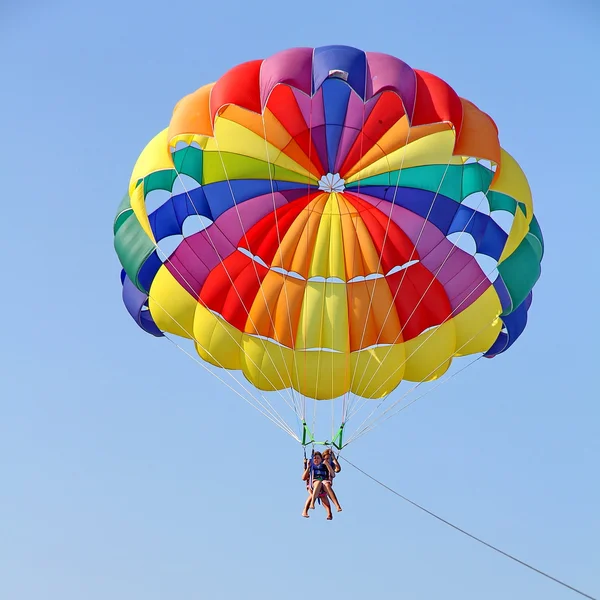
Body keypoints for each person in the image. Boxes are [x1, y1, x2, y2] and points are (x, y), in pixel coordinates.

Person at [301, 451, 335, 519]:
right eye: (314, 458)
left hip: (323, 487)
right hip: (312, 486)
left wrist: (333, 459)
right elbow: (303, 478)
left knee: (324, 497)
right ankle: (305, 510)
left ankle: (329, 513)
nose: (316, 459)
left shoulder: (325, 466)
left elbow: (336, 471)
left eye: (318, 458)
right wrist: (307, 467)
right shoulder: (311, 466)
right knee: (311, 495)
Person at [321, 448, 342, 513]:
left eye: (329, 459)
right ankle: (329, 512)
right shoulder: (320, 464)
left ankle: (337, 506)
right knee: (322, 495)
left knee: (326, 489)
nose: (327, 460)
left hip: (327, 484)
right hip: (318, 483)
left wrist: (334, 458)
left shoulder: (331, 465)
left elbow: (337, 469)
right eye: (326, 458)